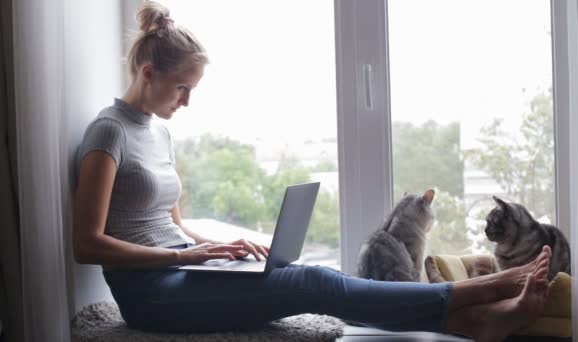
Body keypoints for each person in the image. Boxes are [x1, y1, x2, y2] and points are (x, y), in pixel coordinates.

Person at [73, 2, 551, 341]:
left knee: (292, 271)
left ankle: (472, 322)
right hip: (148, 293)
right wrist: (185, 259)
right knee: (313, 284)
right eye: (182, 88)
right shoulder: (108, 132)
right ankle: (481, 289)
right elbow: (86, 244)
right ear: (148, 72)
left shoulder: (159, 133)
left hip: (182, 269)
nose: (186, 101)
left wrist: (217, 248)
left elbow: (172, 225)